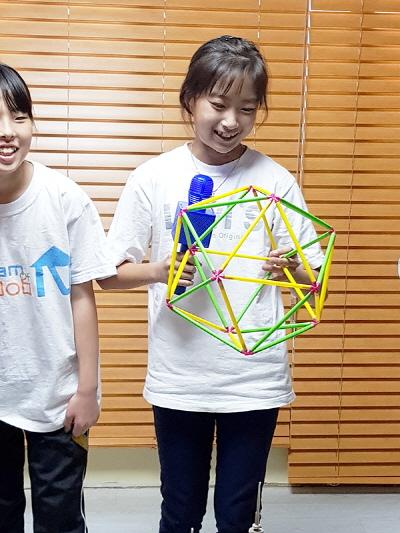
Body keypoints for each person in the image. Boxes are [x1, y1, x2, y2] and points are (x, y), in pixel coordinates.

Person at [99, 36, 325, 533]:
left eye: (247, 109)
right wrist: (160, 270)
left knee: (238, 513)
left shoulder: (276, 181)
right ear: (190, 100)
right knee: (180, 510)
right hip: (179, 379)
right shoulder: (153, 177)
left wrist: (289, 268)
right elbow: (108, 274)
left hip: (254, 380)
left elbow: (313, 279)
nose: (231, 121)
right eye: (218, 104)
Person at [0, 63, 116, 533]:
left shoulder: (64, 198)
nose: (7, 132)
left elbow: (81, 297)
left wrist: (87, 390)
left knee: (60, 518)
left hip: (57, 396)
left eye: (19, 117)